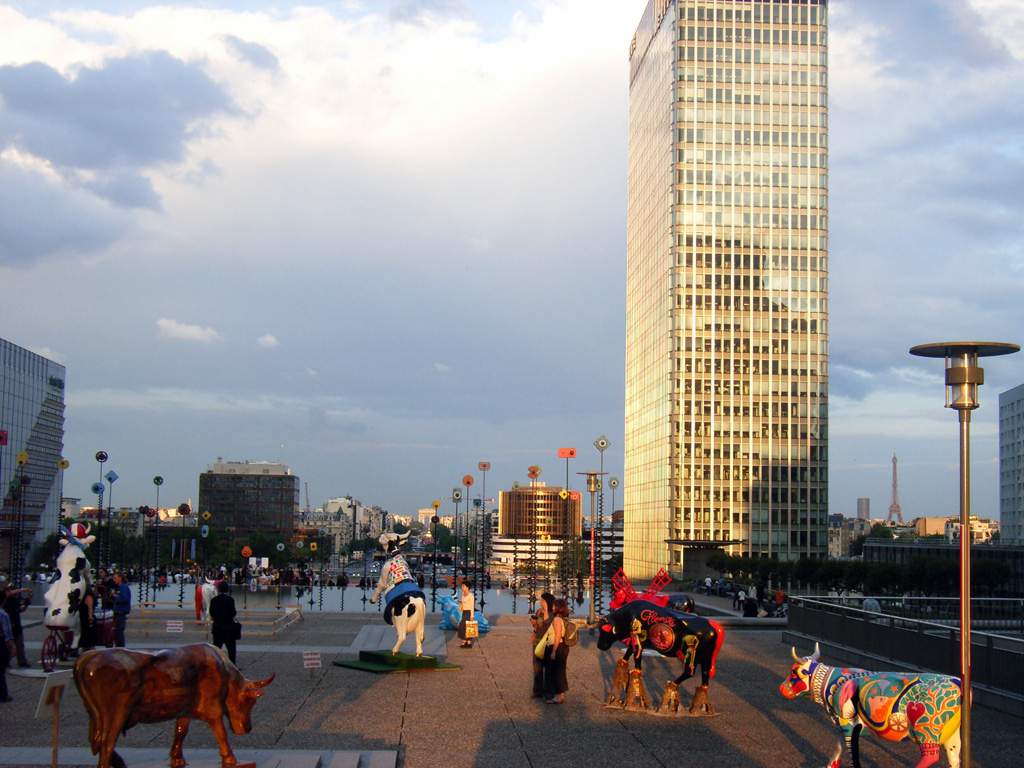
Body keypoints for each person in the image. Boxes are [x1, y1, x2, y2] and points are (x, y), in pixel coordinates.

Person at [544, 598, 572, 704]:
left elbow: (558, 635)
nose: (553, 607)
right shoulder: (563, 618)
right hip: (562, 646)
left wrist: (553, 651)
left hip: (557, 646)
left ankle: (558, 695)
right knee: (560, 671)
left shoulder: (557, 619)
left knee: (556, 672)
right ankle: (560, 695)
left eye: (555, 606)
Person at [1, 579, 31, 667]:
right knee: (8, 644)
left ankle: (21, 661)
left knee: (19, 645)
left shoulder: (12, 600)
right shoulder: (4, 599)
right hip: (9, 623)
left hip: (15, 622)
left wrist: (27, 602)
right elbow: (7, 594)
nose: (11, 591)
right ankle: (7, 660)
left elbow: (21, 609)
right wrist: (22, 590)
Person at [530, 593, 554, 698]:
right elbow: (538, 626)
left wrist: (546, 611)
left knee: (549, 668)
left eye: (542, 600)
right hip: (537, 640)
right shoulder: (539, 611)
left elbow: (547, 622)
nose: (540, 602)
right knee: (537, 667)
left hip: (548, 642)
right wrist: (534, 622)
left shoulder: (552, 613)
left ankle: (549, 691)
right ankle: (538, 691)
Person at [209, 580, 239, 664]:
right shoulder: (230, 600)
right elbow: (233, 613)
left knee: (216, 649)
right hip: (229, 627)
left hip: (218, 627)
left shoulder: (214, 600)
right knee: (231, 649)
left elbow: (211, 613)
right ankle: (232, 666)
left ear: (218, 589)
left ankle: (215, 666)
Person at [111, 571, 131, 647]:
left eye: (115, 578)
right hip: (117, 612)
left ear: (120, 578)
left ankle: (121, 648)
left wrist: (115, 596)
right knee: (117, 632)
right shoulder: (119, 588)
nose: (114, 580)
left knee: (119, 632)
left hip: (121, 612)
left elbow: (125, 599)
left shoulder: (123, 587)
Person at [78, 583, 98, 651]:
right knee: (85, 640)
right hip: (83, 618)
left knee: (89, 640)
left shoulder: (88, 597)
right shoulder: (81, 598)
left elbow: (90, 608)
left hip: (87, 619)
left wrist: (90, 616)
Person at [457, 579, 475, 648]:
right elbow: (464, 601)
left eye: (463, 586)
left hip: (468, 612)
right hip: (464, 612)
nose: (462, 587)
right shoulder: (463, 594)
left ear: (467, 587)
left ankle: (465, 640)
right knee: (466, 627)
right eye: (462, 586)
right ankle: (468, 642)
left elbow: (472, 606)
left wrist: (472, 615)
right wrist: (460, 601)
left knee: (462, 625)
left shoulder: (471, 595)